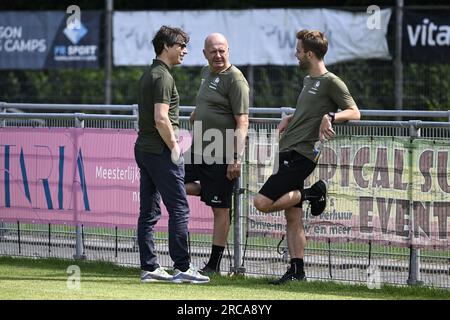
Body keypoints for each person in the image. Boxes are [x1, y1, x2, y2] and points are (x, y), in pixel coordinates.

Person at [253, 29, 360, 284]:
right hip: (288, 149)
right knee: (293, 217)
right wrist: (291, 117)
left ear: (309, 54)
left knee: (262, 202)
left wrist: (331, 116)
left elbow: (355, 112)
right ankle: (297, 271)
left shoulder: (331, 81)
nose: (295, 54)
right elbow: (309, 110)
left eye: (299, 51)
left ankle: (314, 193)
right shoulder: (308, 81)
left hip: (303, 153)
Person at [134, 26, 209, 284]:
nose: (185, 51)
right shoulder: (163, 77)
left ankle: (150, 268)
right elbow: (160, 118)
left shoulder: (149, 74)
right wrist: (175, 148)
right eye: (181, 46)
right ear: (166, 46)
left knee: (148, 212)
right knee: (179, 210)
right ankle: (183, 268)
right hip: (160, 151)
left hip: (144, 150)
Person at [184, 33, 249, 274]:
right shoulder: (205, 73)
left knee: (220, 210)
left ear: (228, 50)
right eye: (213, 51)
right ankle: (208, 190)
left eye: (222, 50)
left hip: (222, 154)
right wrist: (197, 113)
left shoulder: (236, 80)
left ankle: (213, 266)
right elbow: (208, 101)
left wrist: (236, 158)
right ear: (205, 54)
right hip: (198, 150)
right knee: (169, 180)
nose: (218, 55)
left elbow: (242, 122)